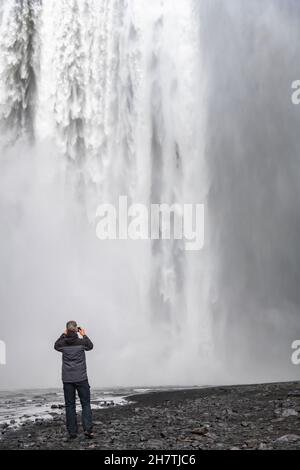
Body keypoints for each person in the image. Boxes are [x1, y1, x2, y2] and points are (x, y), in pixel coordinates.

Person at [54, 320, 94, 439]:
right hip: (81, 378)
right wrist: (84, 334)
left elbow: (55, 345)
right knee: (85, 404)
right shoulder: (81, 342)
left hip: (67, 380)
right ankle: (88, 429)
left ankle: (72, 432)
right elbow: (90, 346)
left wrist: (63, 334)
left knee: (70, 405)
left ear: (67, 330)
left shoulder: (63, 343)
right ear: (76, 329)